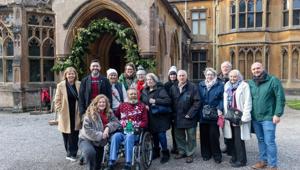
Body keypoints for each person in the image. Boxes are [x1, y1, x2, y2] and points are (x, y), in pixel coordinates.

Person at [248, 62, 285, 170]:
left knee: (269, 141)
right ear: (251, 71)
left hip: (268, 117)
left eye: (258, 68)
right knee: (260, 140)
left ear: (263, 68)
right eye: (254, 69)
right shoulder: (250, 83)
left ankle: (273, 165)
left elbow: (280, 97)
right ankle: (263, 161)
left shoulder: (273, 80)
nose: (256, 70)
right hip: (255, 117)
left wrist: (277, 114)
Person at [107, 88, 148, 170]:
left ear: (137, 95)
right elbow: (116, 116)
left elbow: (145, 121)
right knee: (115, 136)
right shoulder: (122, 105)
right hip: (122, 130)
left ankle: (128, 163)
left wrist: (137, 125)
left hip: (135, 132)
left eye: (135, 94)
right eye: (131, 94)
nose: (133, 95)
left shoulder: (142, 106)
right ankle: (112, 160)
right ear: (128, 96)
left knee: (129, 136)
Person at [78, 94, 121, 170]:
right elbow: (87, 130)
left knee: (98, 165)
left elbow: (116, 122)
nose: (102, 104)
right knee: (91, 153)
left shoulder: (109, 112)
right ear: (96, 103)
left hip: (100, 143)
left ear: (106, 103)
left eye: (104, 102)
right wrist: (101, 135)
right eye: (100, 102)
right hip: (86, 140)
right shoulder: (89, 114)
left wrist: (108, 127)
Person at [169, 70, 200, 163]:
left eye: (183, 75)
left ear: (186, 76)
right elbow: (170, 101)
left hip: (189, 116)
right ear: (177, 77)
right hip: (177, 116)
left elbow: (197, 101)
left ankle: (190, 153)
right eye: (180, 76)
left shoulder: (193, 87)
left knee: (191, 137)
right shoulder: (173, 87)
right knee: (179, 136)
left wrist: (190, 113)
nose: (181, 77)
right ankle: (182, 151)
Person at [223, 70, 252, 167]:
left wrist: (245, 116)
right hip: (230, 115)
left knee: (239, 139)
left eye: (234, 77)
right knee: (231, 138)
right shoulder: (227, 85)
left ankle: (242, 160)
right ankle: (234, 157)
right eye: (230, 76)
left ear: (239, 77)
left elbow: (248, 101)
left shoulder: (244, 86)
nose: (232, 78)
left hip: (239, 115)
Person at [140, 73, 171, 164]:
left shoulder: (160, 89)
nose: (149, 81)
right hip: (150, 116)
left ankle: (165, 153)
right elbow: (141, 101)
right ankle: (156, 151)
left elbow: (168, 101)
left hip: (160, 116)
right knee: (154, 135)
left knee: (161, 135)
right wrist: (144, 105)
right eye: (148, 80)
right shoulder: (144, 90)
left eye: (151, 79)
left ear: (155, 80)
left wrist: (155, 101)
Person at [54, 67, 81, 161]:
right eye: (69, 73)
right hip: (65, 113)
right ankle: (68, 152)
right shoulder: (60, 85)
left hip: (76, 112)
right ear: (65, 75)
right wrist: (60, 110)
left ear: (75, 75)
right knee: (66, 133)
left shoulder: (79, 84)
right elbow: (57, 100)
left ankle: (73, 153)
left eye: (72, 73)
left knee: (75, 133)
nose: (71, 75)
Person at [198, 67, 224, 164]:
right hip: (203, 113)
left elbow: (222, 98)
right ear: (205, 75)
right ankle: (206, 154)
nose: (209, 76)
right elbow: (198, 98)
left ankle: (216, 155)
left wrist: (220, 108)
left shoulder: (220, 85)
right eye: (208, 74)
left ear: (214, 76)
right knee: (204, 135)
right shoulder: (200, 85)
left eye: (211, 74)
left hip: (214, 113)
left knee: (214, 135)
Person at [217, 61, 233, 155]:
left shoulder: (234, 77)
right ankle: (227, 146)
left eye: (227, 66)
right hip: (221, 106)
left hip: (231, 107)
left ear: (230, 68)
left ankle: (232, 148)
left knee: (232, 128)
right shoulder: (218, 78)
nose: (225, 68)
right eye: (223, 67)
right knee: (224, 127)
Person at [164, 65, 178, 154]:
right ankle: (172, 146)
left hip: (177, 109)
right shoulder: (166, 85)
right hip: (169, 109)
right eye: (171, 75)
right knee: (170, 129)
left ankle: (177, 146)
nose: (172, 76)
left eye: (174, 75)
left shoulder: (178, 83)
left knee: (176, 129)